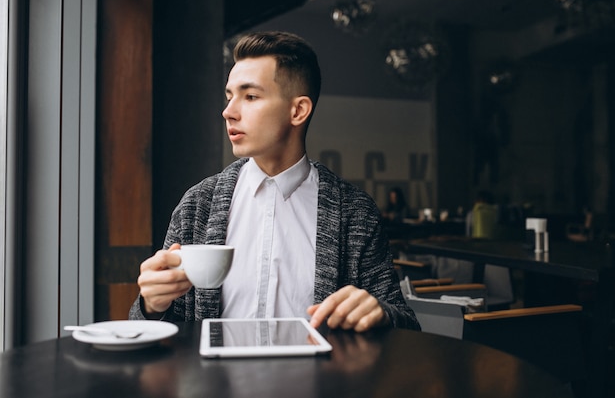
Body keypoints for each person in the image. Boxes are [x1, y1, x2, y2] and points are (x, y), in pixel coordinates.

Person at [129, 31, 419, 332]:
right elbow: (151, 331)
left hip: (321, 380)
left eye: (250, 96)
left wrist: (380, 315)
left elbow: (407, 326)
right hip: (214, 380)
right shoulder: (197, 205)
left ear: (298, 110)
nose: (228, 112)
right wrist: (151, 306)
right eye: (230, 96)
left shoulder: (355, 212)